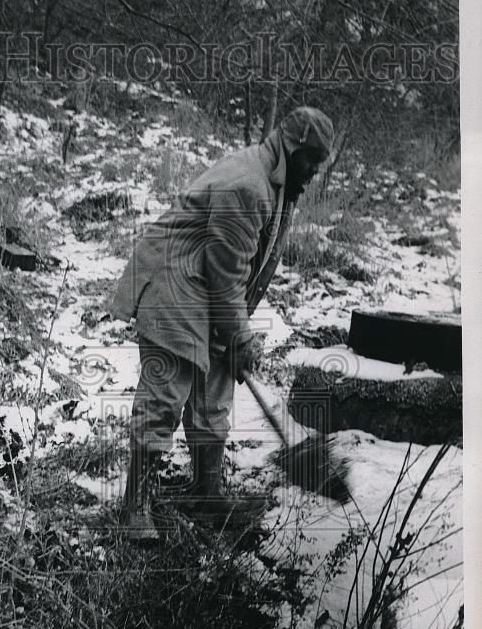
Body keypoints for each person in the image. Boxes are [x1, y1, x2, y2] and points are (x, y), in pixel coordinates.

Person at [112, 106, 335, 543]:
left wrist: (233, 337)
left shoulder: (276, 183)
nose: (313, 175)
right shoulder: (248, 186)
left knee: (214, 393)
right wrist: (241, 338)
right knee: (165, 395)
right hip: (174, 285)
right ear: (293, 149)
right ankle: (133, 507)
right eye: (312, 162)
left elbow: (242, 272)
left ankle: (207, 493)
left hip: (206, 287)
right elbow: (227, 273)